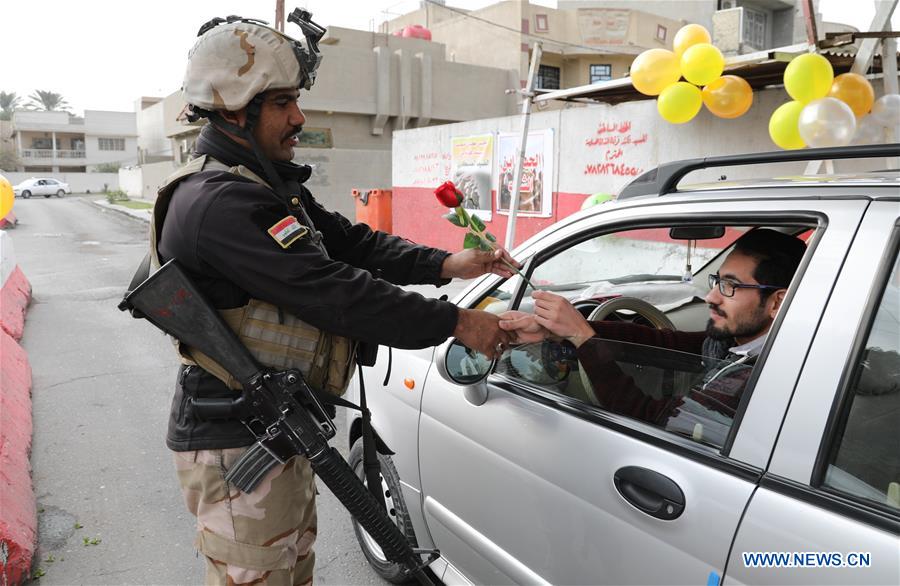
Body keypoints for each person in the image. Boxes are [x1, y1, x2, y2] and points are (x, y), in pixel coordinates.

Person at [155, 14, 515, 585]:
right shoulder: (218, 204)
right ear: (231, 109)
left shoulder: (265, 188)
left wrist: (445, 263)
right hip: (234, 443)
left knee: (291, 572)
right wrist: (457, 322)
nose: (298, 117)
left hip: (275, 430)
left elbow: (350, 242)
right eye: (281, 103)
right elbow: (332, 292)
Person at [499, 229, 806, 428]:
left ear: (777, 302)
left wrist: (583, 337)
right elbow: (665, 342)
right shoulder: (737, 344)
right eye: (717, 280)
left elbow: (653, 419)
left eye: (730, 286)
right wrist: (562, 330)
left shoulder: (759, 378)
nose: (711, 297)